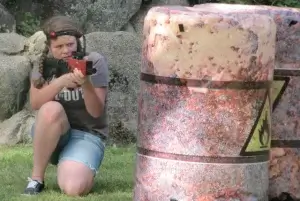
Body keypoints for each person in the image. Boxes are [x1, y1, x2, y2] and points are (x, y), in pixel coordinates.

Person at [23, 15, 109, 196]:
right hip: (52, 132)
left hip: (87, 134)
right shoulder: (42, 65)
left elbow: (96, 112)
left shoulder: (94, 61)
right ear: (50, 47)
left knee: (73, 188)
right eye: (59, 46)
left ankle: (75, 163)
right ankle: (36, 179)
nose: (66, 51)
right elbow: (36, 103)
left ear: (78, 41)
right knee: (50, 109)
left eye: (70, 44)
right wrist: (61, 81)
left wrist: (85, 83)